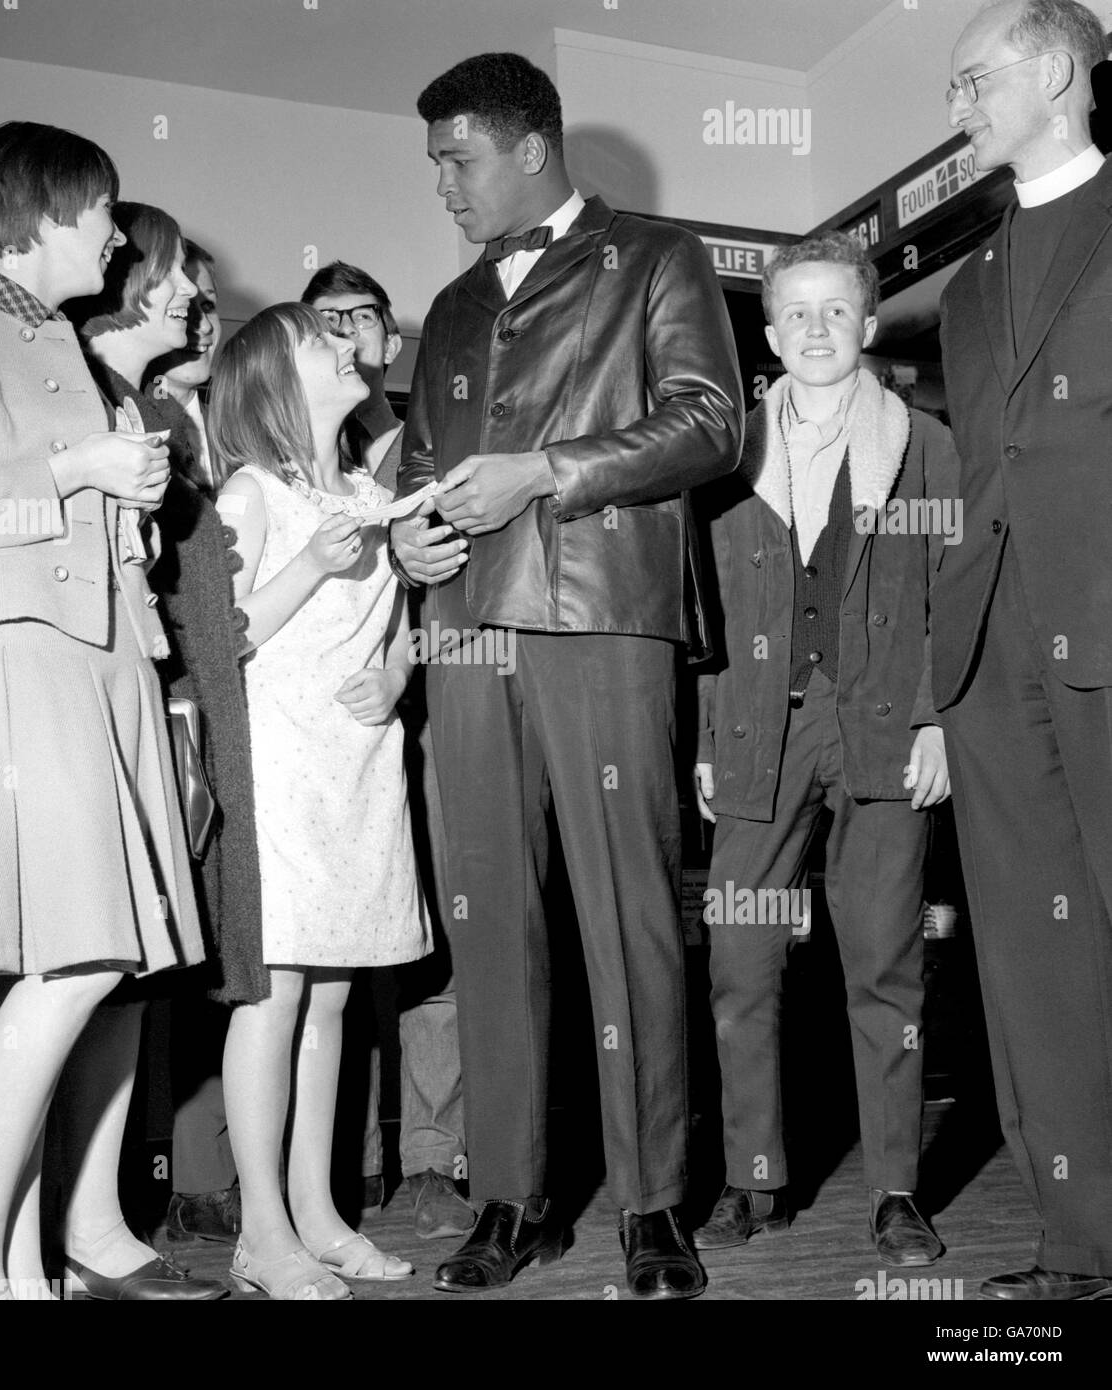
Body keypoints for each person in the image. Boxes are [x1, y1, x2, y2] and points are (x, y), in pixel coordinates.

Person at [392, 53, 743, 1298]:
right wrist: (409, 530)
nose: (440, 182)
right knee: (488, 918)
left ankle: (653, 1203)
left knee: (629, 909)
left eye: (457, 157)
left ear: (530, 148)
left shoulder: (658, 255)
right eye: (434, 160)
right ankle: (511, 1193)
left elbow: (712, 421)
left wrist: (543, 472)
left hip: (601, 612)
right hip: (466, 628)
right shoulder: (442, 309)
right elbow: (422, 469)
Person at [0, 122, 220, 1300]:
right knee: (72, 963)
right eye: (101, 209)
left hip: (103, 667)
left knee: (64, 972)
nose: (117, 233)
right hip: (17, 661)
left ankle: (22, 1269)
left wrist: (133, 497)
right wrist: (78, 472)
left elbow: (76, 513)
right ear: (38, 211)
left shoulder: (64, 339)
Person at [692, 231, 955, 1267]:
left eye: (834, 310)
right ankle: (754, 1179)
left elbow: (953, 586)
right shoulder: (725, 454)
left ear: (869, 322)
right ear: (767, 332)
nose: (814, 329)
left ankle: (895, 1187)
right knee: (740, 963)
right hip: (763, 727)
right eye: (794, 312)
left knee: (884, 962)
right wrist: (712, 739)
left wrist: (935, 713)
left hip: (884, 725)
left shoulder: (925, 445)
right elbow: (707, 612)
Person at [936, 0, 1112, 1300]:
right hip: (995, 650)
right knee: (1038, 961)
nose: (959, 108)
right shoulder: (967, 283)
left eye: (973, 80)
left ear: (1054, 68)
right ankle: (1079, 1247)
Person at [209, 302, 430, 1299]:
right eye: (318, 342)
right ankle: (261, 1231)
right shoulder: (253, 492)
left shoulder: (371, 493)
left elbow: (410, 616)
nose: (346, 348)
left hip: (358, 756)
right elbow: (214, 636)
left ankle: (317, 1213)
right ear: (272, 383)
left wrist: (395, 675)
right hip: (280, 755)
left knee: (333, 994)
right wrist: (311, 561)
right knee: (277, 990)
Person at [70, 222, 264, 1250]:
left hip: (203, 709)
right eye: (187, 285)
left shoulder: (207, 416)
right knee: (135, 962)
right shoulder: (117, 408)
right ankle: (151, 1187)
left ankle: (168, 1188)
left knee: (186, 954)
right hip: (159, 700)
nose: (202, 305)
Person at [301, 261, 473, 1241]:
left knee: (434, 944)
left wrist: (406, 674)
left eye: (359, 318)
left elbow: (451, 586)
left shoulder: (429, 441)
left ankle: (430, 1156)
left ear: (388, 339)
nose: (342, 336)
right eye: (322, 321)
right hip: (318, 734)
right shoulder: (283, 453)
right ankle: (322, 1171)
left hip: (429, 719)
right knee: (318, 950)